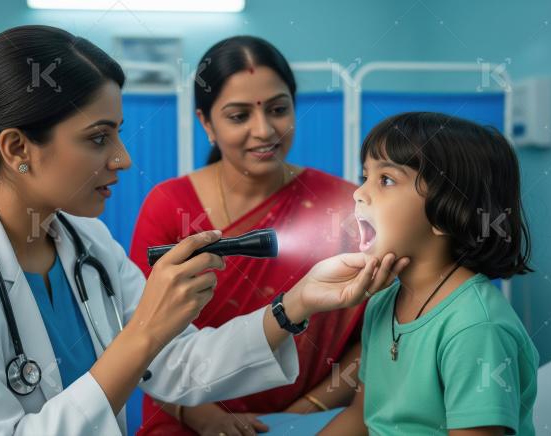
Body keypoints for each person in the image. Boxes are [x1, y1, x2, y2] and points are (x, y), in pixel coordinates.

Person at [0, 25, 407, 435]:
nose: (122, 158)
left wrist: (296, 304)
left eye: (117, 134)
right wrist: (143, 332)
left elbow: (179, 366)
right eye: (98, 138)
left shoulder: (86, 244)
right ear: (17, 148)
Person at [131, 36, 394, 435]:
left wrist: (303, 415)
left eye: (278, 109)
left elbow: (377, 333)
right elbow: (140, 340)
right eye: (239, 116)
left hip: (313, 420)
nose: (264, 130)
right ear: (206, 123)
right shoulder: (168, 205)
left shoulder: (344, 204)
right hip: (186, 415)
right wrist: (208, 419)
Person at [321, 112, 539, 435]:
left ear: (445, 213)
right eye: (364, 175)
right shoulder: (383, 302)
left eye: (386, 180)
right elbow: (363, 417)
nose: (359, 193)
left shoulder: (475, 328)